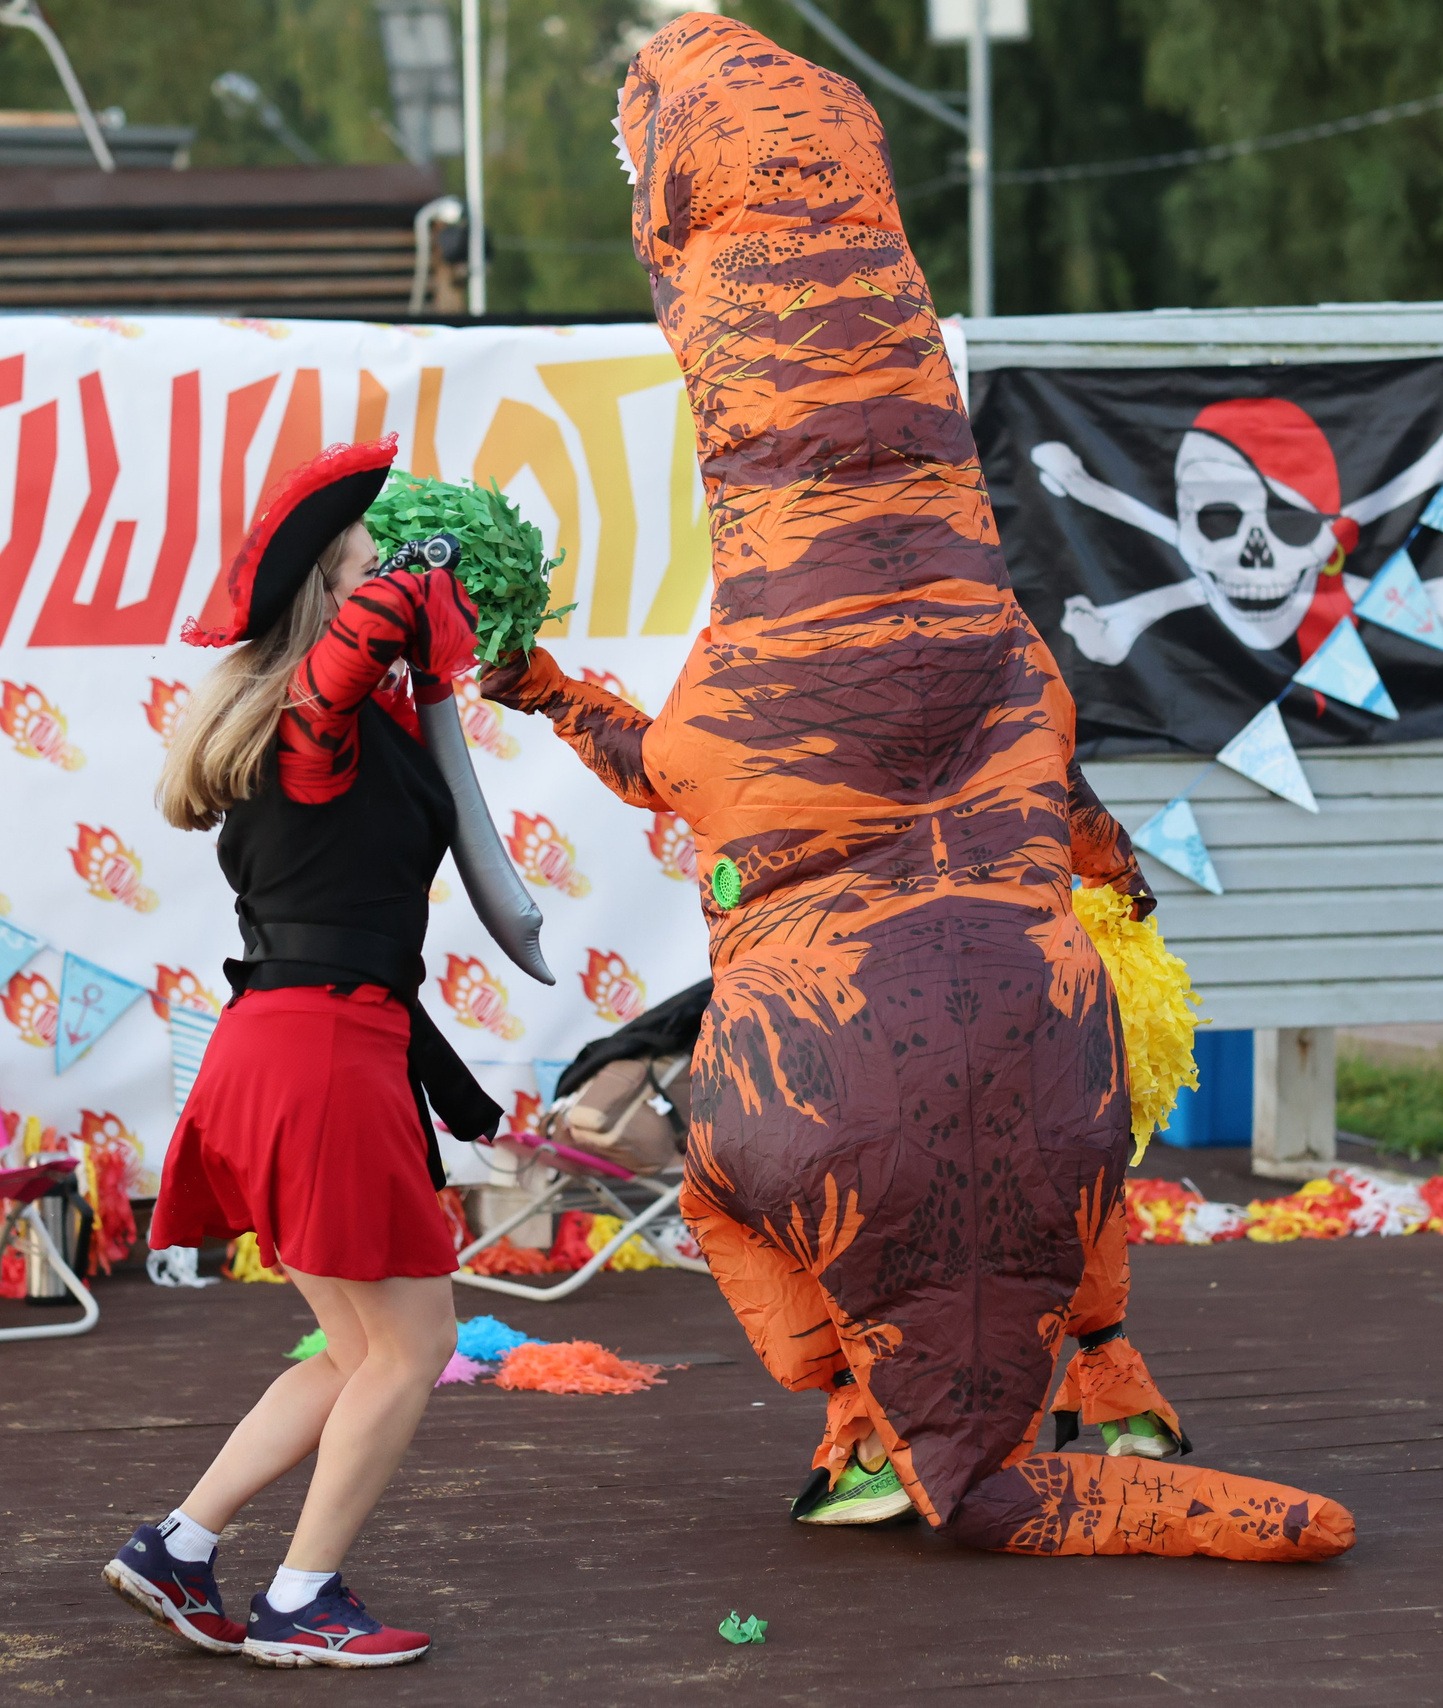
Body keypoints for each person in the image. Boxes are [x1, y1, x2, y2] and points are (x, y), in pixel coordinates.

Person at [477, 11, 1353, 1564]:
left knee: (726, 1173)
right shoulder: (1001, 650)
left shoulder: (768, 689)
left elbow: (655, 767)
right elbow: (1065, 805)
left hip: (827, 1051)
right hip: (1032, 1018)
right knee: (1071, 1110)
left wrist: (542, 686)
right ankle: (1101, 1374)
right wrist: (1107, 871)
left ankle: (851, 1410)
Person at [101, 435, 501, 1667]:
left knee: (357, 1348)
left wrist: (427, 655)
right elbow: (332, 685)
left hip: (291, 1049)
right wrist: (405, 595)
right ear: (336, 594)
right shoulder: (306, 734)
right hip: (319, 1056)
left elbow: (353, 699)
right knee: (417, 1347)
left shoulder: (328, 730)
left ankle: (179, 1542)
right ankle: (302, 1600)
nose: (392, 576)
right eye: (371, 565)